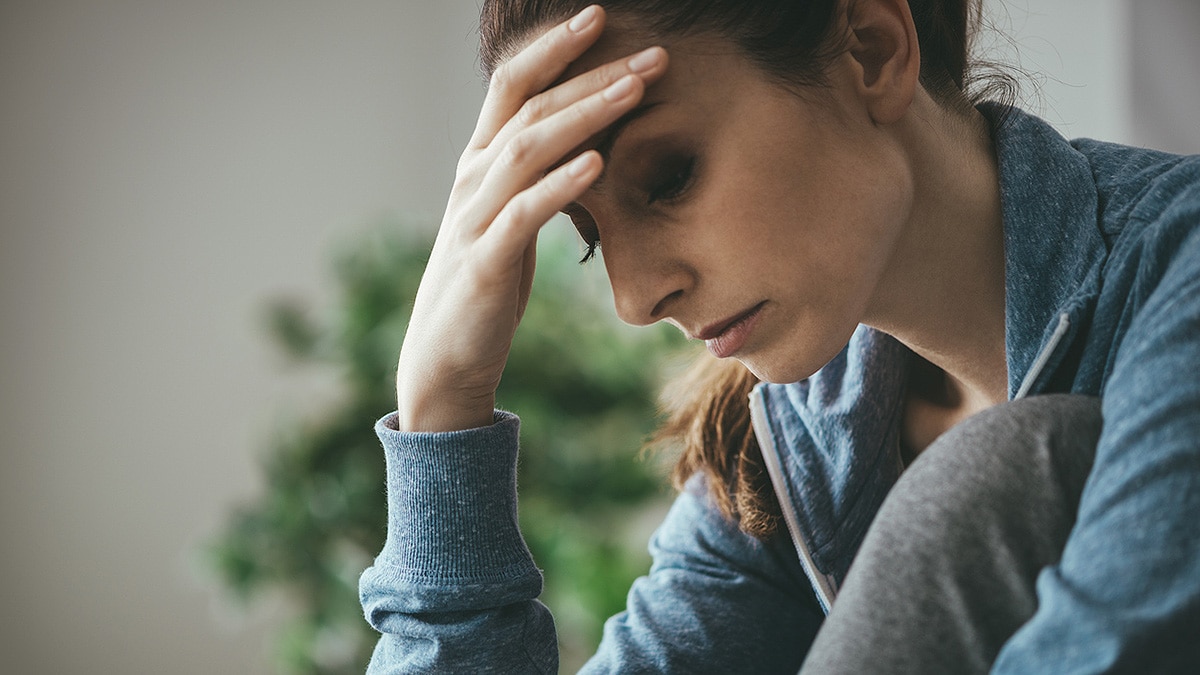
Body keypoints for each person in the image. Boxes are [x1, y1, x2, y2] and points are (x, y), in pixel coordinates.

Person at [358, 0, 1200, 672]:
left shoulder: (1180, 269)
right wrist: (444, 415)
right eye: (587, 231)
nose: (635, 297)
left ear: (871, 49)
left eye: (669, 176)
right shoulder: (790, 446)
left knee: (1006, 467)